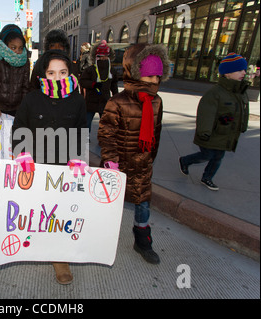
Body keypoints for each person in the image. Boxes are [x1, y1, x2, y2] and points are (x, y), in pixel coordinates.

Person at [12, 50, 88, 285]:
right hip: (36, 167)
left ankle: (59, 258)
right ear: (43, 74)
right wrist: (21, 154)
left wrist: (78, 158)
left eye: (63, 72)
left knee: (60, 213)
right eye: (51, 72)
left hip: (63, 170)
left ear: (70, 72)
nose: (57, 77)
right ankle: (34, 244)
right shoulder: (32, 99)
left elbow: (80, 131)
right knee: (37, 212)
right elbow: (19, 127)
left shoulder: (77, 100)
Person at [98, 43, 171, 265]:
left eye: (158, 77)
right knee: (111, 205)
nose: (155, 82)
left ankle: (143, 241)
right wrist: (111, 162)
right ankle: (100, 239)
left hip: (143, 164)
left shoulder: (157, 101)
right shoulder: (117, 102)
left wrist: (151, 157)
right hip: (118, 165)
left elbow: (156, 132)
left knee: (143, 203)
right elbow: (106, 133)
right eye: (150, 77)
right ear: (136, 73)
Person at [179, 53, 250, 191]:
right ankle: (185, 161)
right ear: (227, 73)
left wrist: (242, 126)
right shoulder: (215, 93)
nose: (243, 72)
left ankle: (207, 178)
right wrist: (204, 131)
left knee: (218, 157)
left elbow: (244, 111)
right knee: (207, 155)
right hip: (212, 133)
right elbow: (206, 113)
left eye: (244, 70)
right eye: (239, 70)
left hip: (227, 133)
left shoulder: (241, 92)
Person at [0, 24, 30, 120]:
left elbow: (25, 88)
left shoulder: (24, 61)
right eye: (13, 47)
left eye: (20, 48)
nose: (17, 52)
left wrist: (23, 108)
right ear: (5, 45)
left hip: (18, 111)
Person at [80, 40, 119, 133]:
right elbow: (82, 81)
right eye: (101, 56)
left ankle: (104, 139)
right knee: (87, 122)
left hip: (105, 100)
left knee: (105, 123)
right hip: (91, 100)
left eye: (105, 56)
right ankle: (85, 139)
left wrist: (116, 98)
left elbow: (114, 85)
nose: (103, 58)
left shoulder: (111, 71)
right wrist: (93, 84)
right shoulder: (91, 69)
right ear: (96, 57)